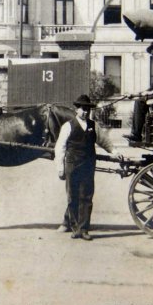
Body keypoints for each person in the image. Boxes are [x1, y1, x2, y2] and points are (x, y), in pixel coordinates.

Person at [54, 94, 120, 241]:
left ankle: (84, 229)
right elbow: (60, 148)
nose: (85, 112)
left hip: (88, 165)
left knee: (87, 197)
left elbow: (104, 141)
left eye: (87, 109)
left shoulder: (93, 125)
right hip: (72, 165)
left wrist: (114, 151)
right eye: (82, 109)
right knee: (73, 197)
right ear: (76, 109)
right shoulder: (68, 126)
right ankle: (75, 228)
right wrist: (60, 168)